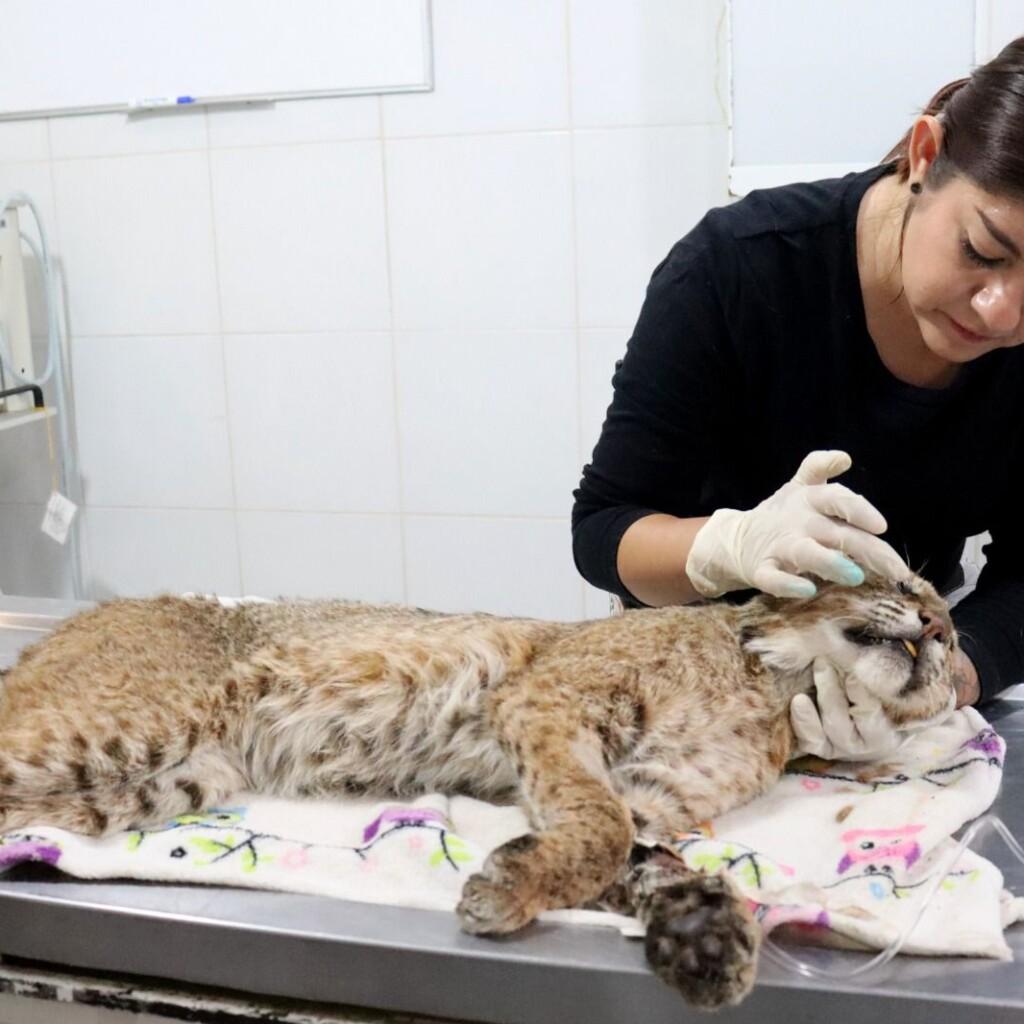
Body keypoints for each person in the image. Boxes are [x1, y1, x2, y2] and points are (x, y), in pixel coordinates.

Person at [572, 38, 1024, 759]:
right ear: (923, 153)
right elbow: (603, 532)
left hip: (890, 699)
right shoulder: (735, 270)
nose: (1002, 313)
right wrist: (726, 547)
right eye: (983, 249)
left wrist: (952, 677)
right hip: (693, 691)